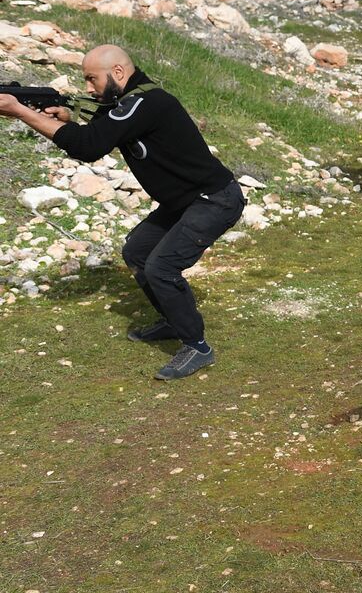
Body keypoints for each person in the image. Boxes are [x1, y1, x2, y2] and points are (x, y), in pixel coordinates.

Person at [0, 46, 245, 380]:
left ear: (117, 73)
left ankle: (197, 346)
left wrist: (21, 112)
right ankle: (174, 322)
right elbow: (95, 135)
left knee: (162, 266)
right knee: (138, 252)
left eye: (91, 78)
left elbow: (88, 148)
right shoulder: (126, 102)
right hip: (185, 202)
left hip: (214, 200)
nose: (87, 87)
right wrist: (65, 118)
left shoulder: (147, 102)